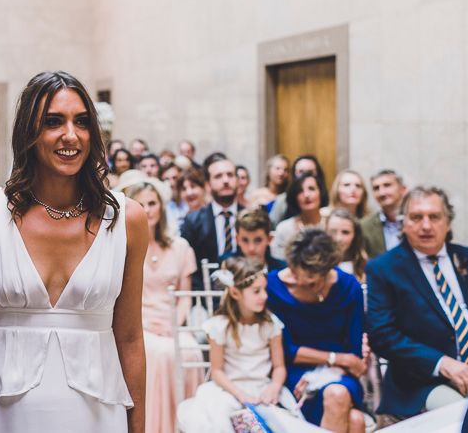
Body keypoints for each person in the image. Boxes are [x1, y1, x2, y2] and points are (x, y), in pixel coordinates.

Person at [0, 71, 147, 433]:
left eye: (82, 122)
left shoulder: (127, 220)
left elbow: (131, 337)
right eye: (53, 122)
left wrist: (138, 428)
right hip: (2, 413)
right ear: (29, 131)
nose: (70, 135)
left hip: (98, 414)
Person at [366, 186, 468, 420]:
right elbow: (382, 335)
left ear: (448, 223)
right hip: (423, 381)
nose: (426, 225)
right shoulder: (385, 269)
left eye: (435, 217)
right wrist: (441, 363)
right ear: (403, 223)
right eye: (417, 217)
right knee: (463, 415)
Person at [177, 258, 296, 432]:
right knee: (219, 418)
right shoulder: (219, 326)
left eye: (264, 290)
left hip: (262, 389)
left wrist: (274, 387)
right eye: (256, 291)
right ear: (235, 293)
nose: (264, 296)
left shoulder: (271, 325)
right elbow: (217, 371)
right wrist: (241, 395)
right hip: (229, 391)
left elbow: (279, 366)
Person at [267, 229, 366, 431]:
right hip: (293, 372)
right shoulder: (274, 287)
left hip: (340, 374)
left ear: (327, 269)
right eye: (296, 274)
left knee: (337, 395)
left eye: (311, 281)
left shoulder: (349, 288)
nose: (300, 283)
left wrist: (330, 371)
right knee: (355, 420)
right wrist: (334, 359)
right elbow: (286, 350)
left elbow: (354, 353)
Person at [129, 178, 202, 433]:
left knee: (190, 351)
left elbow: (186, 296)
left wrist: (175, 325)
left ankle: (184, 425)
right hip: (138, 324)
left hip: (172, 323)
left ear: (161, 206)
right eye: (140, 204)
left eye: (152, 203)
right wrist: (147, 324)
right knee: (160, 354)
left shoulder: (180, 247)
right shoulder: (125, 247)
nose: (147, 209)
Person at [181, 156, 243, 289]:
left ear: (238, 181)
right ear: (208, 185)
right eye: (218, 176)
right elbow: (189, 269)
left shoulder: (251, 216)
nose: (225, 180)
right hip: (206, 295)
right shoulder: (192, 222)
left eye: (230, 175)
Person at [270, 173, 326, 261]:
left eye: (311, 189)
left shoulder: (332, 226)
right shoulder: (284, 228)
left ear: (321, 192)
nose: (306, 195)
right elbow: (278, 262)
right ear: (294, 197)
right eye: (300, 191)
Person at [269, 155, 329, 227]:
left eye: (310, 172)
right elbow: (271, 228)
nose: (305, 175)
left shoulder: (327, 200)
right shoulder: (282, 200)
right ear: (293, 175)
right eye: (301, 172)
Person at [361, 169, 407, 258]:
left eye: (387, 185)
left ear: (403, 189)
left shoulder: (419, 221)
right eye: (376, 188)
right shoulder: (364, 226)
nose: (381, 193)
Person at [231, 207, 286, 272]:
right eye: (245, 240)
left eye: (258, 241)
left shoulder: (283, 271)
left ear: (269, 239)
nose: (251, 248)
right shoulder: (227, 268)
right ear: (237, 240)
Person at [326, 209, 367, 283]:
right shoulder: (316, 266)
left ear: (355, 236)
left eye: (345, 232)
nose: (338, 238)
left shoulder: (364, 266)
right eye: (332, 231)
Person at [160, 162, 187, 233]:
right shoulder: (161, 206)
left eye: (175, 178)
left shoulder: (190, 201)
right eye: (166, 179)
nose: (171, 183)